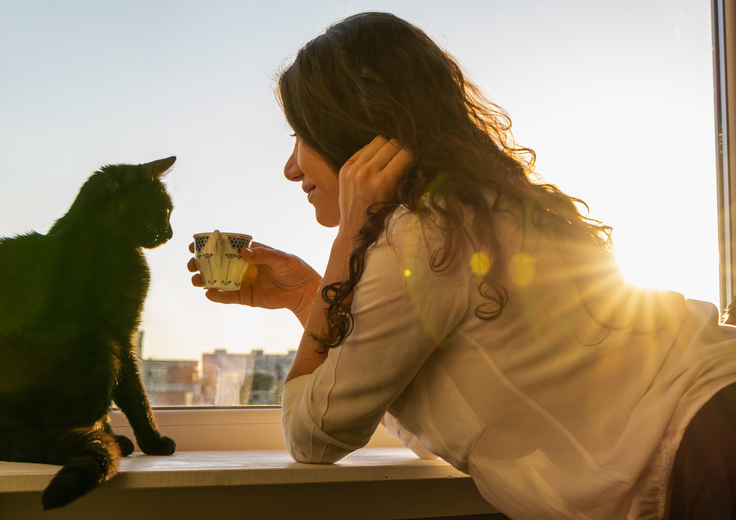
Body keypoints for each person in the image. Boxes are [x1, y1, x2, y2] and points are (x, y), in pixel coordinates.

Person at [188, 12, 736, 519]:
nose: (290, 168)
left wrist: (343, 249)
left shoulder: (419, 231)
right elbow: (444, 422)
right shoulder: (468, 212)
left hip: (705, 444)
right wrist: (310, 298)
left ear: (349, 131)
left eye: (299, 137)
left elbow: (311, 435)